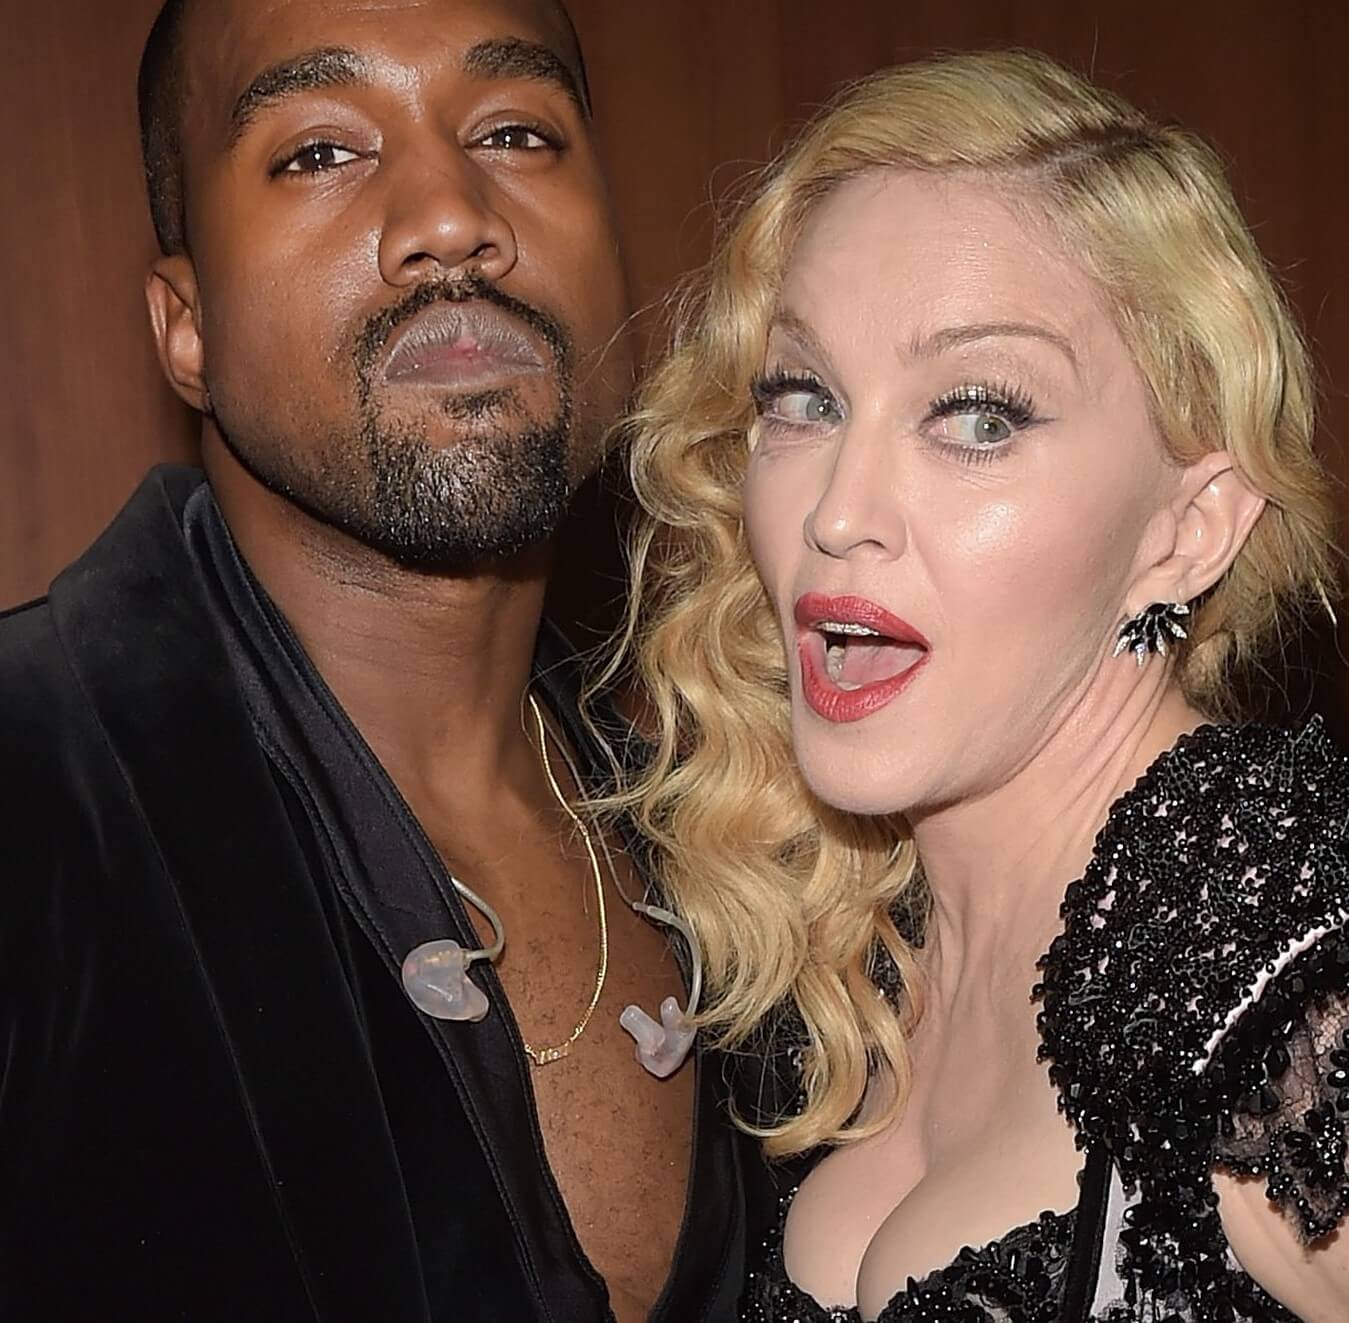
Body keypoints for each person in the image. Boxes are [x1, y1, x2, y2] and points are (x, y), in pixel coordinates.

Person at [0, 1, 775, 1320]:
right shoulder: (33, 803)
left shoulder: (753, 840)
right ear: (186, 325)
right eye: (319, 151)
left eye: (516, 132)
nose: (450, 215)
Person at [610, 49, 1349, 1322]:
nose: (837, 510)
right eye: (804, 398)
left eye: (978, 417)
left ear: (1186, 530)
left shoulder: (1280, 949)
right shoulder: (844, 954)